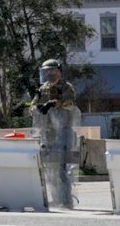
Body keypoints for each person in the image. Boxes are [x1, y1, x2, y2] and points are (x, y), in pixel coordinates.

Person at [30, 59, 80, 209]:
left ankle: (66, 200)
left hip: (63, 131)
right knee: (49, 168)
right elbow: (31, 106)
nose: (49, 73)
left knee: (62, 169)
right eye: (47, 71)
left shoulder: (66, 87)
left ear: (59, 71)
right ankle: (55, 199)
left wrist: (55, 103)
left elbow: (71, 104)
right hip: (48, 132)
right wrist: (38, 108)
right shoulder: (42, 89)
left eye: (52, 70)